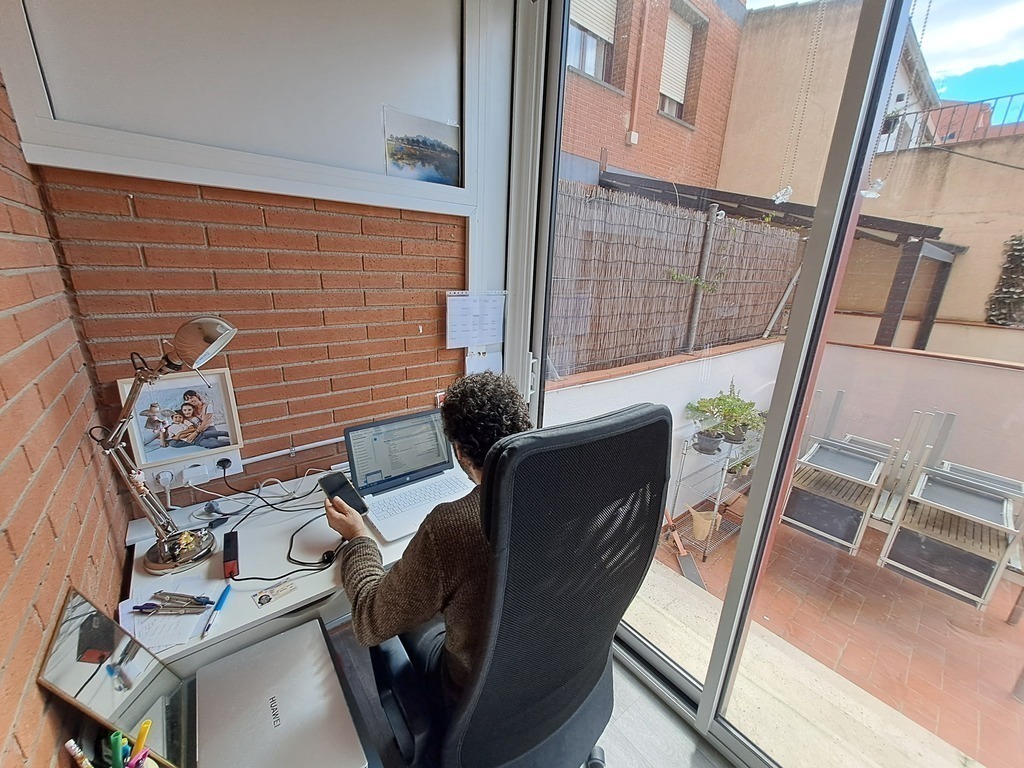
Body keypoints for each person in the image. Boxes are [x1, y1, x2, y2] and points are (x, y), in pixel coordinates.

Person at [324, 371, 532, 734]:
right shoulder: (565, 491)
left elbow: (370, 621)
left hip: (472, 694)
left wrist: (358, 538)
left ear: (459, 452)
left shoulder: (449, 528)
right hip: (550, 664)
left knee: (411, 612)